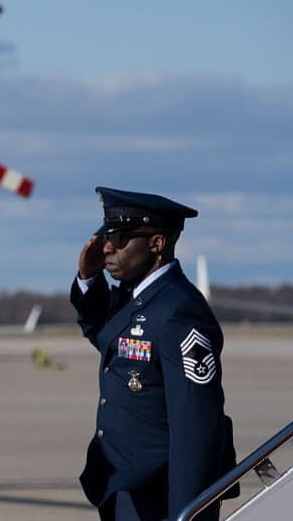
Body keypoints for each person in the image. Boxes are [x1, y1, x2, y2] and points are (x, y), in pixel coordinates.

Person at [70, 186, 237, 521]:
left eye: (118, 240)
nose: (107, 248)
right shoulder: (139, 300)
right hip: (123, 486)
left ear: (157, 244)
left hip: (157, 497)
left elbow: (196, 427)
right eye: (105, 237)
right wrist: (89, 280)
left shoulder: (179, 311)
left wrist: (188, 512)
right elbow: (106, 338)